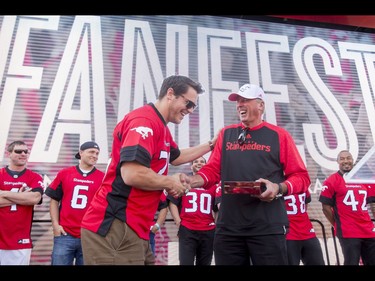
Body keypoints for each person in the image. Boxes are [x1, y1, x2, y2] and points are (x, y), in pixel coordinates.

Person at [80, 75, 217, 265]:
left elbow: (176, 157)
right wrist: (170, 182)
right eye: (188, 103)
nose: (190, 110)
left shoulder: (160, 127)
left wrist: (212, 145)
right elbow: (132, 174)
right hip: (115, 225)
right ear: (170, 94)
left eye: (194, 106)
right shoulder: (144, 121)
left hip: (135, 227)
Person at [185, 83, 311, 265]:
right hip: (228, 229)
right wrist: (191, 181)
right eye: (238, 101)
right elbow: (212, 170)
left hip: (267, 227)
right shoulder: (226, 134)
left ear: (261, 105)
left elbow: (301, 177)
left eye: (245, 100)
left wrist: (278, 188)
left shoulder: (279, 135)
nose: (239, 105)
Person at [45, 141, 104, 265]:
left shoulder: (102, 178)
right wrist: (55, 225)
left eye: (97, 153)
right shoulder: (65, 173)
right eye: (91, 152)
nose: (95, 155)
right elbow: (54, 200)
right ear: (81, 153)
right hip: (65, 234)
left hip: (89, 235)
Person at [319, 150, 375, 265]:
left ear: (353, 160)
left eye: (348, 158)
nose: (346, 161)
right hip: (348, 231)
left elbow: (372, 203)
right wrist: (336, 224)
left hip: (368, 229)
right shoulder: (331, 181)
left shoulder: (364, 179)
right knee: (351, 262)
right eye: (342, 158)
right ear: (338, 161)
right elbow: (325, 207)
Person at [0, 140, 44, 265]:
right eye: (18, 151)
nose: (23, 154)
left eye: (26, 151)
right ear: (9, 154)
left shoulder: (35, 177)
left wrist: (4, 193)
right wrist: (22, 198)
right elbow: (28, 199)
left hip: (20, 240)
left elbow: (35, 198)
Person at [168, 156, 217, 265]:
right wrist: (178, 221)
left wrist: (217, 226)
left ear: (207, 165)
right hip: (188, 229)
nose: (199, 163)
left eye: (202, 161)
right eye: (196, 161)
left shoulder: (213, 185)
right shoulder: (184, 182)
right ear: (191, 166)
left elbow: (217, 208)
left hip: (208, 230)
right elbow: (172, 202)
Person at [284, 190, 325, 265]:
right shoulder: (276, 182)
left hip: (307, 232)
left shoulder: (302, 181)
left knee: (318, 261)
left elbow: (305, 204)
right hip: (288, 234)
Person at [149, 191, 168, 257]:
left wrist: (157, 225)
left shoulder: (154, 187)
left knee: (148, 260)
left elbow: (164, 207)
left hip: (148, 232)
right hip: (129, 229)